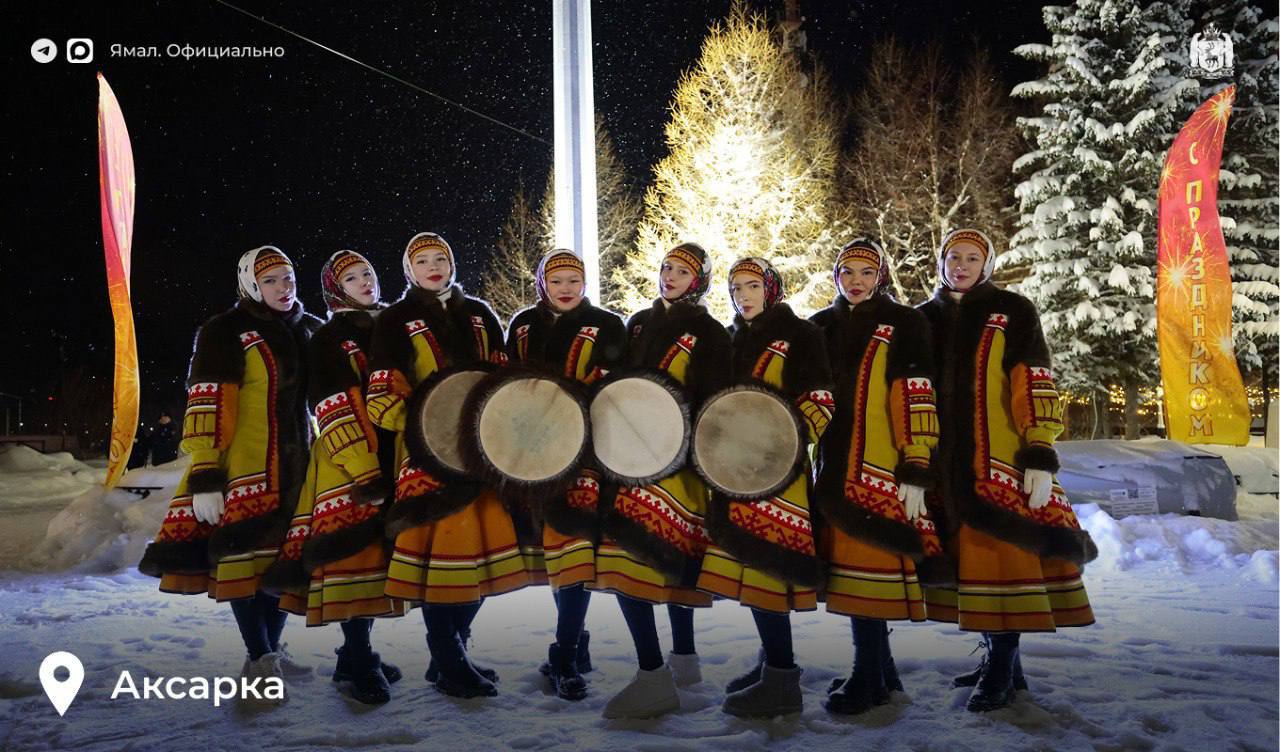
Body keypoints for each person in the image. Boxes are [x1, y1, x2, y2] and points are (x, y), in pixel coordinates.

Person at [918, 229, 1096, 712]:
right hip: (942, 467)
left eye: (972, 258)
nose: (961, 265)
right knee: (972, 569)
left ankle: (1000, 668)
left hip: (1000, 462)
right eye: (953, 256)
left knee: (1003, 560)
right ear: (941, 261)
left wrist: (1038, 449)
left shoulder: (1013, 311)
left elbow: (1033, 379)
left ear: (987, 263)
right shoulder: (923, 318)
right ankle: (1003, 666)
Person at [138, 246, 322, 706]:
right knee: (244, 562)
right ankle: (259, 660)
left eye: (289, 278)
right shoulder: (225, 332)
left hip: (299, 471)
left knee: (282, 565)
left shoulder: (308, 330)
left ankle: (271, 652)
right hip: (245, 469)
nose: (285, 287)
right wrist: (205, 470)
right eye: (273, 280)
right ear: (250, 285)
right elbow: (206, 400)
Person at [367, 232, 534, 699]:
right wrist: (424, 432)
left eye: (442, 257)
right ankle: (447, 656)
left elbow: (503, 375)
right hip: (428, 459)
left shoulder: (479, 313)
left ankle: (451, 653)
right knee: (441, 565)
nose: (434, 266)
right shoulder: (395, 319)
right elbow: (383, 391)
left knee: (477, 562)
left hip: (483, 458)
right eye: (423, 260)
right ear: (409, 270)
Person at [591, 242, 731, 720]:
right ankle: (672, 667)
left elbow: (715, 399)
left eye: (682, 272)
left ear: (700, 281)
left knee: (654, 563)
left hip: (678, 463)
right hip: (628, 460)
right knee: (639, 562)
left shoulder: (711, 332)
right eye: (666, 267)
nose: (670, 276)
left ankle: (659, 675)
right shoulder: (639, 323)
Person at [809, 238, 948, 715]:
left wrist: (916, 461)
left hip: (879, 466)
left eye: (866, 272)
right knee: (851, 578)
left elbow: (916, 391)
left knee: (868, 576)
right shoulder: (821, 325)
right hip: (832, 467)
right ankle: (882, 674)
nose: (855, 281)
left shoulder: (905, 323)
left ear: (881, 276)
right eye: (847, 272)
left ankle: (868, 678)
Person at [263, 250, 408, 705]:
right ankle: (359, 662)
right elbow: (329, 403)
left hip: (391, 458)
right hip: (350, 462)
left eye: (368, 272)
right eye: (351, 277)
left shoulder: (391, 325)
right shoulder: (330, 338)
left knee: (380, 563)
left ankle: (353, 654)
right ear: (334, 288)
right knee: (354, 559)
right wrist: (363, 468)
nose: (365, 281)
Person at [695, 257, 834, 717]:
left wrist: (784, 448)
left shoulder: (801, 335)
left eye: (752, 286)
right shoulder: (737, 337)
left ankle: (781, 680)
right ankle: (771, 666)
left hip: (779, 479)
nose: (743, 296)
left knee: (769, 575)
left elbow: (819, 401)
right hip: (737, 476)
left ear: (771, 288)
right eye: (736, 288)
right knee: (754, 577)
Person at [503, 249, 627, 701]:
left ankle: (565, 652)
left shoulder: (609, 324)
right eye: (557, 280)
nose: (567, 288)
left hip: (583, 452)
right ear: (542, 284)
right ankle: (576, 639)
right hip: (529, 451)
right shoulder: (521, 324)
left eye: (574, 279)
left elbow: (616, 386)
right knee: (549, 547)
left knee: (572, 543)